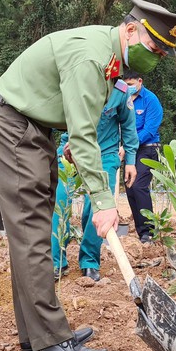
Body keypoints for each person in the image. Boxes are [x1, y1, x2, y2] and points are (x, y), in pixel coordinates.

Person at [0, 0, 176, 351]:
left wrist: (70, 148)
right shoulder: (92, 58)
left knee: (31, 230)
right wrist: (104, 202)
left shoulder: (109, 58)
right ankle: (51, 340)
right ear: (131, 30)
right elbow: (84, 136)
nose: (156, 57)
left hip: (36, 129)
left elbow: (79, 120)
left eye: (163, 54)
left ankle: (36, 336)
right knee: (33, 231)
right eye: (154, 47)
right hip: (17, 128)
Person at [51, 76, 139, 282]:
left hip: (105, 155)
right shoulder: (75, 82)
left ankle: (89, 261)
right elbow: (53, 120)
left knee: (99, 209)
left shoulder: (121, 91)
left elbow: (128, 126)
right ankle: (56, 261)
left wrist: (131, 161)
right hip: (71, 152)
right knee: (59, 202)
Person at [124, 71, 164, 243]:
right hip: (128, 149)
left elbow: (149, 130)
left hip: (147, 149)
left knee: (139, 185)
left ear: (140, 81)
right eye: (125, 84)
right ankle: (141, 231)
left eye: (132, 83)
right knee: (130, 187)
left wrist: (128, 146)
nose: (129, 87)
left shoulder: (151, 100)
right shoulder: (124, 98)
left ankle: (149, 231)